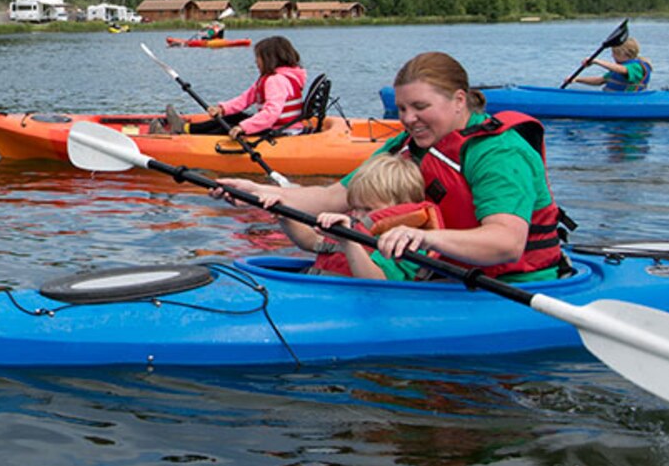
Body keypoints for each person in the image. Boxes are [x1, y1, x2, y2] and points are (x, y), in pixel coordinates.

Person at [218, 51, 566, 283]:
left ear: (459, 100)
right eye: (401, 109)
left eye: (419, 107)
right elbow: (333, 196)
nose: (408, 119)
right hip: (438, 276)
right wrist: (261, 193)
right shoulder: (406, 145)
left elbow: (506, 242)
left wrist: (425, 237)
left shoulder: (499, 153)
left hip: (509, 284)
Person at [276, 151, 437, 279]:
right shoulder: (357, 226)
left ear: (402, 206)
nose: (359, 215)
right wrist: (284, 214)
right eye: (355, 208)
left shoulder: (409, 244)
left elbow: (377, 284)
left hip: (373, 307)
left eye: (367, 209)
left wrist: (348, 241)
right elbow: (311, 242)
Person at [157, 36, 306, 136]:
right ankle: (184, 129)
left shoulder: (276, 81)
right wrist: (222, 109)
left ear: (270, 59)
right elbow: (245, 99)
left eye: (258, 58)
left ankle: (186, 136)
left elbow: (271, 113)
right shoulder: (275, 77)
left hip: (282, 131)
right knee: (233, 116)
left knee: (227, 126)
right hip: (277, 126)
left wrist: (244, 127)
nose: (256, 62)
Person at [576, 37, 652, 91]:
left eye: (614, 53)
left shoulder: (636, 67)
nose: (612, 56)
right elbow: (599, 80)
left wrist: (596, 61)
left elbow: (622, 69)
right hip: (612, 99)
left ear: (624, 54)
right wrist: (577, 79)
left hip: (628, 101)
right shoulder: (616, 69)